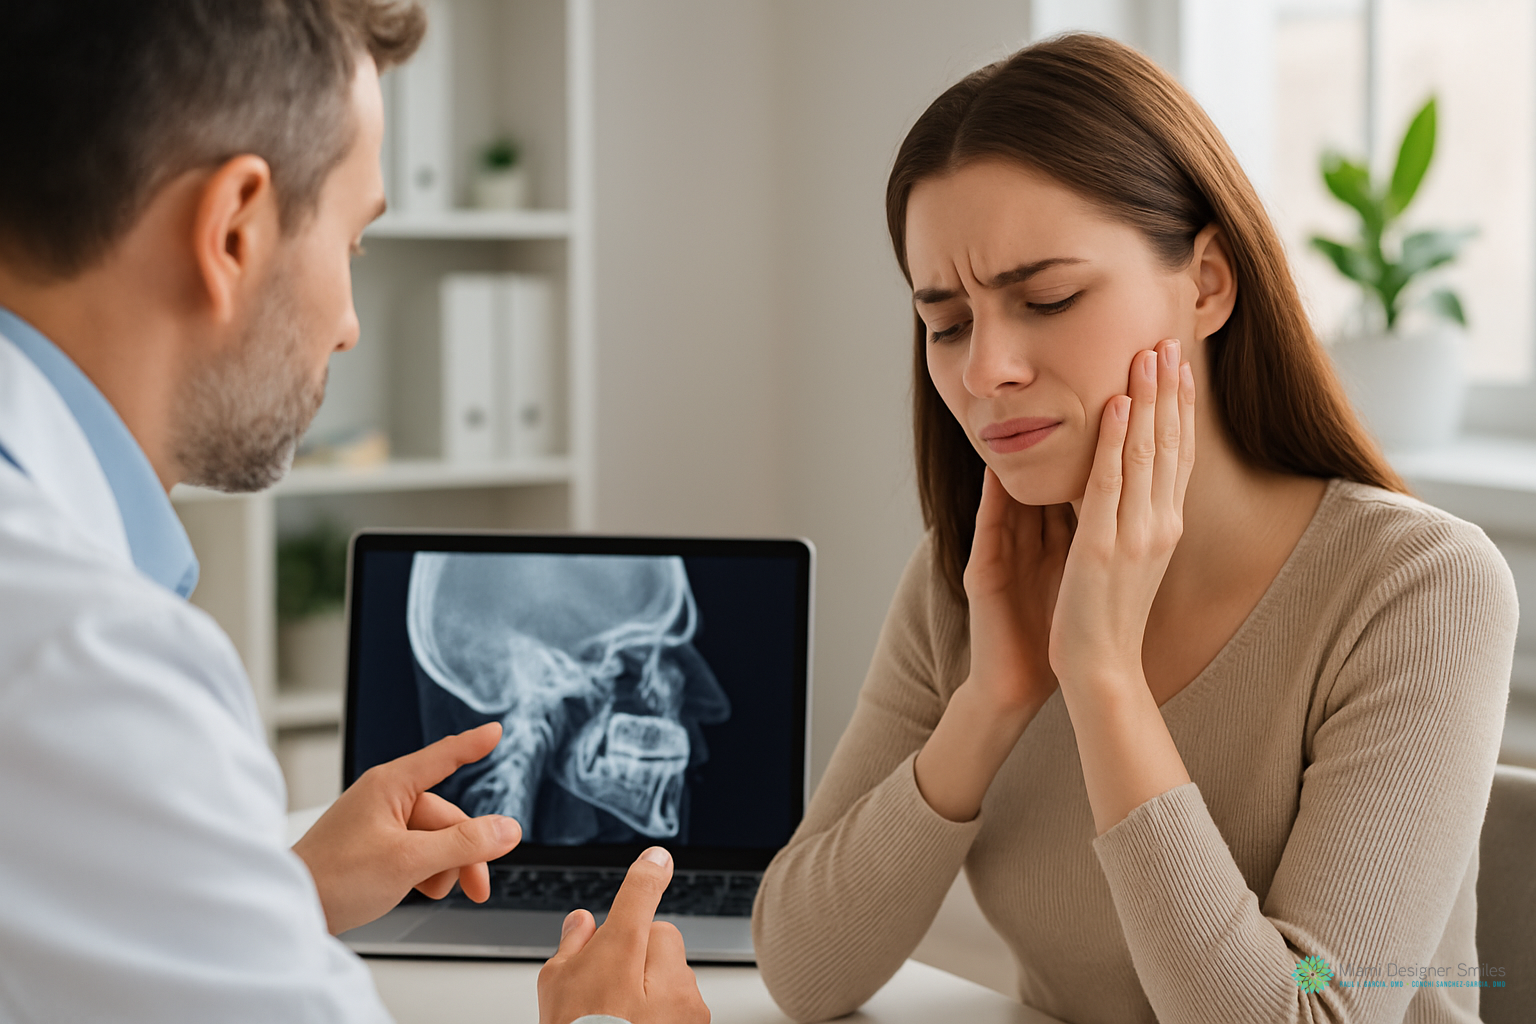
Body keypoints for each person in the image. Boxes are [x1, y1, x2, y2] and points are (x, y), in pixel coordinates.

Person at [752, 33, 1516, 1024]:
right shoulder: (974, 579)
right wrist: (992, 700)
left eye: (1049, 298)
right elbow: (802, 970)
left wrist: (1104, 676)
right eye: (948, 323)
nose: (986, 370)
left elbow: (1313, 1010)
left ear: (1208, 283)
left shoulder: (1418, 586)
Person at [0, 3, 705, 1023]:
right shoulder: (88, 662)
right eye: (354, 240)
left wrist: (272, 893)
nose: (348, 325)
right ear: (234, 230)